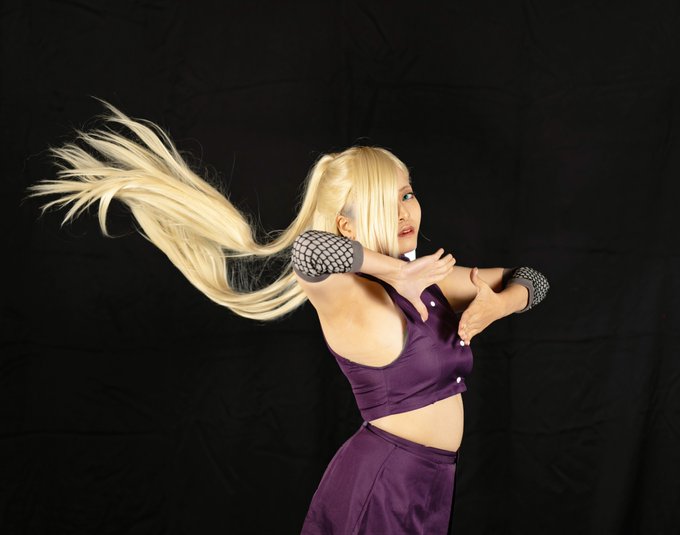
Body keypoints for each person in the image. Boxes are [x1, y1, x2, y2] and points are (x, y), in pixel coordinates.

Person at [28, 99, 549, 535]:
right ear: (347, 226)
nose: (405, 211)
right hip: (383, 481)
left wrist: (501, 303)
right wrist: (396, 271)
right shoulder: (346, 293)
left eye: (407, 194)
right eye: (384, 201)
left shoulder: (432, 282)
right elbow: (308, 250)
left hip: (432, 481)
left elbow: (533, 278)